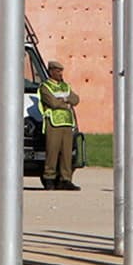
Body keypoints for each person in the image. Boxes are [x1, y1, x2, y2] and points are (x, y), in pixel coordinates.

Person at [38, 61, 80, 189]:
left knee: (66, 153)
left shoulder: (65, 86)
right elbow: (52, 103)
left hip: (67, 123)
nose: (60, 74)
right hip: (53, 123)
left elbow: (75, 99)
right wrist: (65, 103)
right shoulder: (45, 87)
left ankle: (65, 179)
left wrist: (65, 100)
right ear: (51, 71)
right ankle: (49, 177)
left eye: (61, 71)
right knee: (52, 151)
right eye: (57, 71)